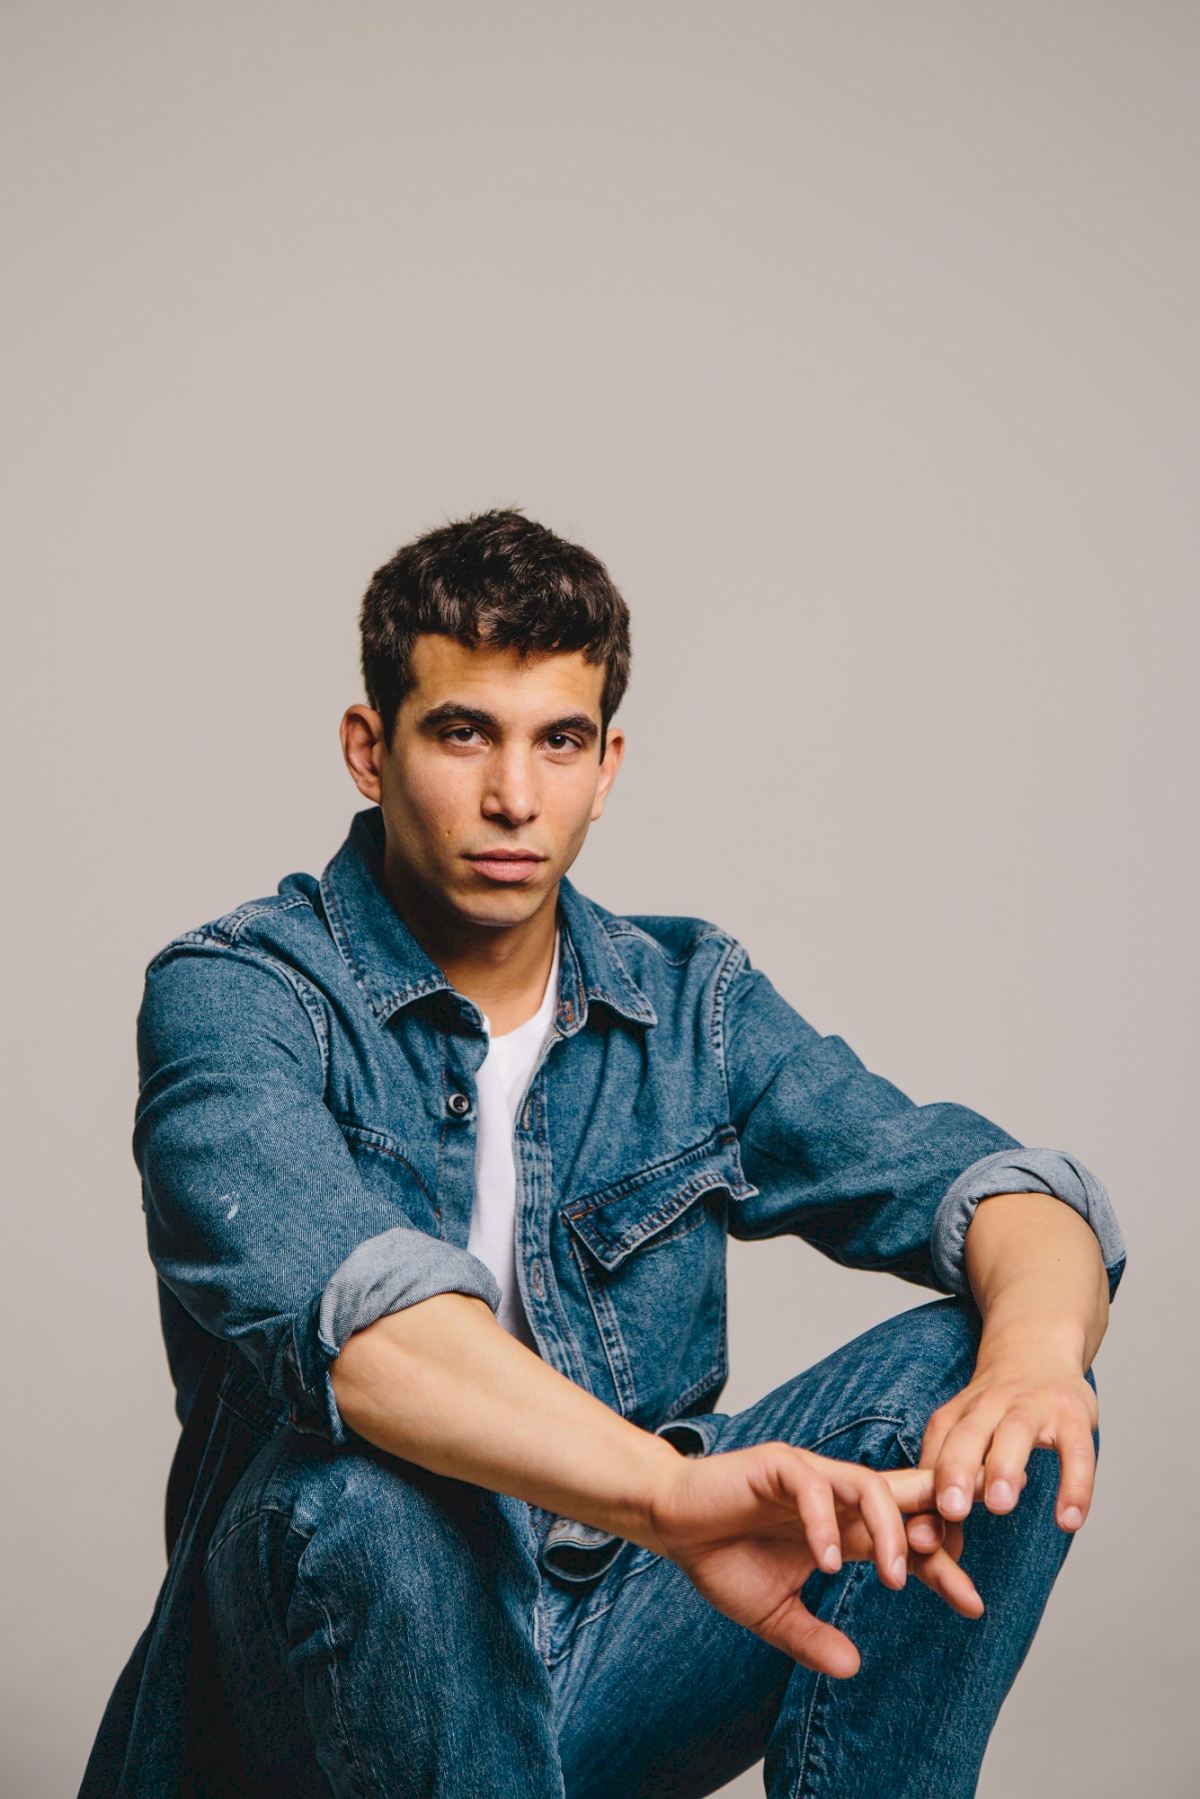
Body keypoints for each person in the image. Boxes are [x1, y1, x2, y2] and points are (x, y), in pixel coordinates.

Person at [79, 507, 1127, 1798]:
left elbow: (996, 1189)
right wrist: (670, 1499)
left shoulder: (686, 1004)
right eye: (463, 733)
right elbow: (366, 1331)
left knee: (985, 1383)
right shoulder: (241, 995)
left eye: (559, 742)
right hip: (318, 1687)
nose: (515, 798)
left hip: (617, 1631)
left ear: (607, 763)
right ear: (370, 748)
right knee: (382, 1499)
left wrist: (1036, 1362)